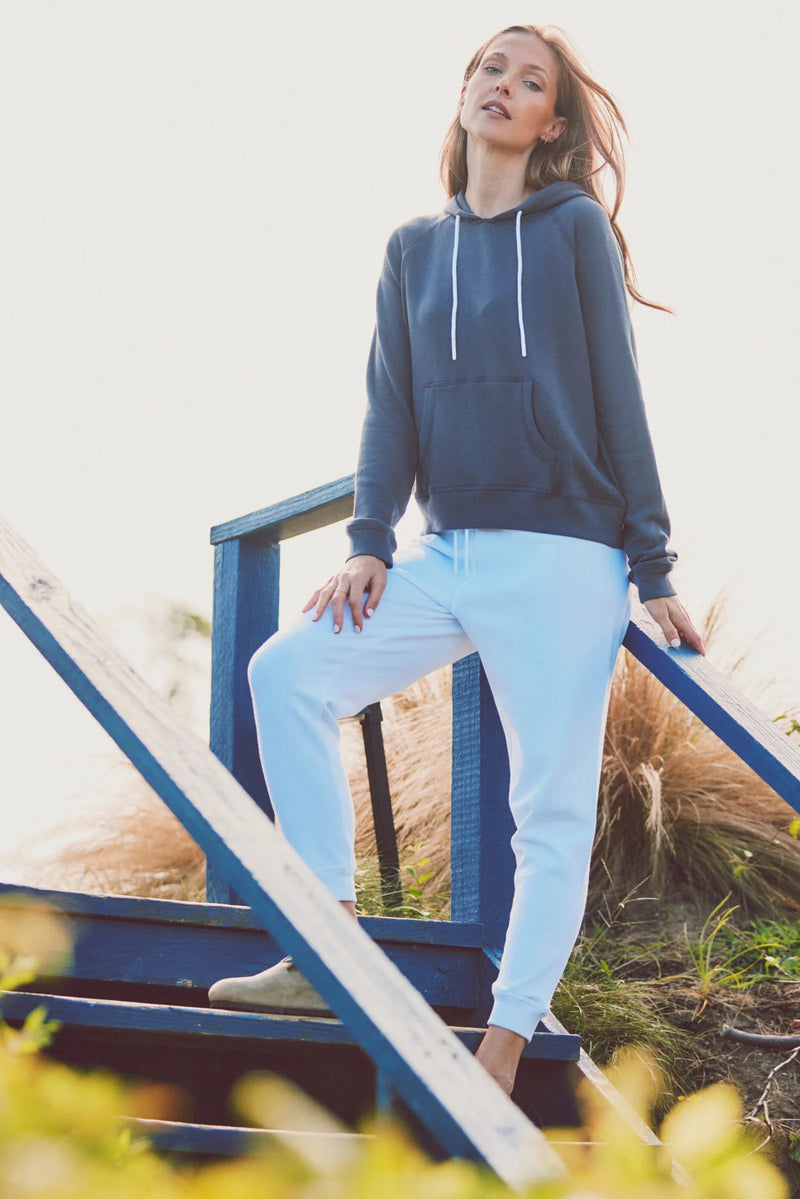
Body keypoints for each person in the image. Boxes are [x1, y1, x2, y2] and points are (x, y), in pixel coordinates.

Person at [209, 22, 706, 1097]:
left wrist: (652, 565)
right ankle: (328, 945)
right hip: (445, 550)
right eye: (491, 67)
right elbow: (388, 410)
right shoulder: (409, 250)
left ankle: (505, 1035)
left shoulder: (570, 228)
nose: (503, 86)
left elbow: (619, 396)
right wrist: (366, 543)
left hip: (565, 558)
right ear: (464, 89)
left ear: (550, 123)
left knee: (550, 808)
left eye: (529, 82)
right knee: (285, 671)